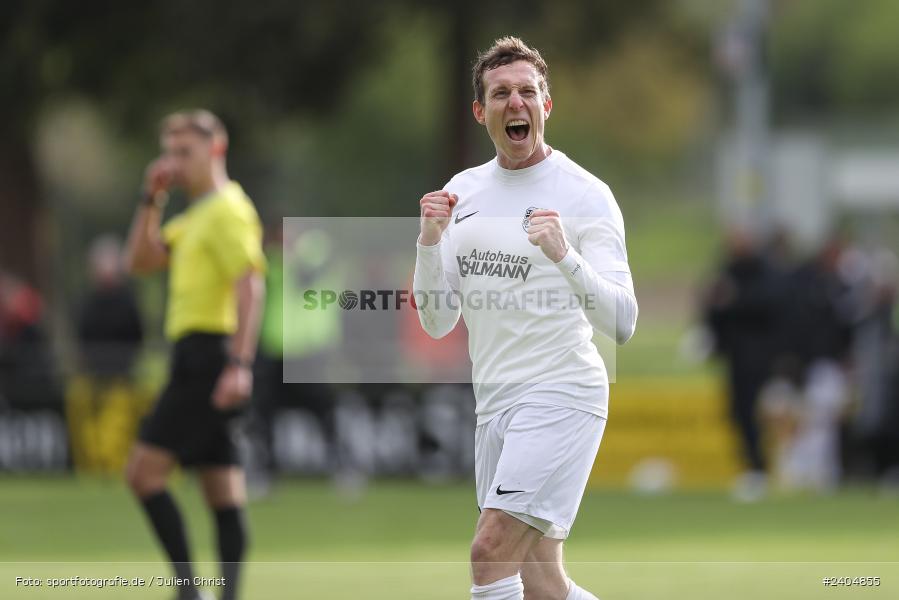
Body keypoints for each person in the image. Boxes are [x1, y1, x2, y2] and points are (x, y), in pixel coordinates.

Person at [413, 37, 638, 600]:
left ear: (546, 105)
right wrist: (427, 243)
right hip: (495, 405)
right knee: (541, 580)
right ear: (480, 111)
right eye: (500, 94)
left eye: (527, 92)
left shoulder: (586, 195)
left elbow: (624, 322)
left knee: (490, 553)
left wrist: (564, 254)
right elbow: (438, 323)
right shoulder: (463, 192)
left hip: (563, 392)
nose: (516, 103)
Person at [123, 110, 266, 600]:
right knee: (222, 490)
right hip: (197, 356)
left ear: (216, 149)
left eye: (186, 152)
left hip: (210, 358)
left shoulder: (227, 209)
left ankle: (188, 591)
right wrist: (151, 198)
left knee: (142, 474)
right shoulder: (193, 217)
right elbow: (139, 261)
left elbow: (250, 285)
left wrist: (239, 365)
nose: (176, 162)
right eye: (170, 152)